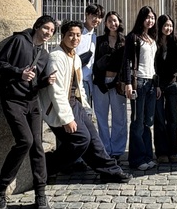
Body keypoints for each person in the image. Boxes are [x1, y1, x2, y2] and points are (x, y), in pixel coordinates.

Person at [38, 20, 132, 183]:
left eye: (78, 35)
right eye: (71, 35)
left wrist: (86, 107)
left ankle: (110, 170)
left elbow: (79, 85)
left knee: (94, 138)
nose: (75, 38)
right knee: (81, 139)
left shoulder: (74, 55)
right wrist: (67, 119)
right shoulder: (56, 57)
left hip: (75, 104)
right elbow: (56, 91)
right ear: (63, 35)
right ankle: (45, 166)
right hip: (61, 107)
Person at [0, 15, 57, 209]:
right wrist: (20, 72)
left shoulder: (44, 55)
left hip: (32, 102)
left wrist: (46, 81)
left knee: (37, 146)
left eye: (52, 31)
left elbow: (35, 82)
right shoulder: (19, 41)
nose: (48, 33)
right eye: (46, 28)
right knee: (25, 141)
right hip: (12, 100)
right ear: (37, 27)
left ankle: (40, 193)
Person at [123, 6, 158, 170]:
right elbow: (126, 61)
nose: (150, 20)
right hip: (139, 81)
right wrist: (128, 82)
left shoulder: (151, 38)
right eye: (148, 17)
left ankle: (147, 155)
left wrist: (157, 84)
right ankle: (137, 159)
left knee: (147, 121)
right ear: (142, 18)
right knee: (137, 121)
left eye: (152, 17)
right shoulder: (133, 37)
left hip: (151, 82)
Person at [92, 11, 128, 161]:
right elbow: (94, 62)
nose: (112, 24)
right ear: (105, 24)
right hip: (101, 81)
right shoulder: (99, 40)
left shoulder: (125, 41)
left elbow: (126, 64)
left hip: (118, 83)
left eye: (115, 20)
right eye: (109, 21)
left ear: (119, 22)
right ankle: (105, 148)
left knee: (120, 117)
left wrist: (119, 81)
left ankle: (118, 149)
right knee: (101, 116)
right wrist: (100, 80)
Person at [154, 15, 177, 164]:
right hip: (158, 84)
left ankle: (172, 151)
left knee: (172, 119)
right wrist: (156, 84)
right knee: (159, 119)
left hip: (172, 83)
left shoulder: (176, 42)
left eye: (170, 26)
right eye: (166, 25)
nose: (168, 28)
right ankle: (161, 152)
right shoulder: (154, 42)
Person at [77, 4, 104, 107]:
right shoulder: (77, 33)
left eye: (100, 17)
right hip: (76, 80)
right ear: (86, 14)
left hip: (88, 81)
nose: (97, 19)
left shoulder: (94, 37)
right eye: (94, 15)